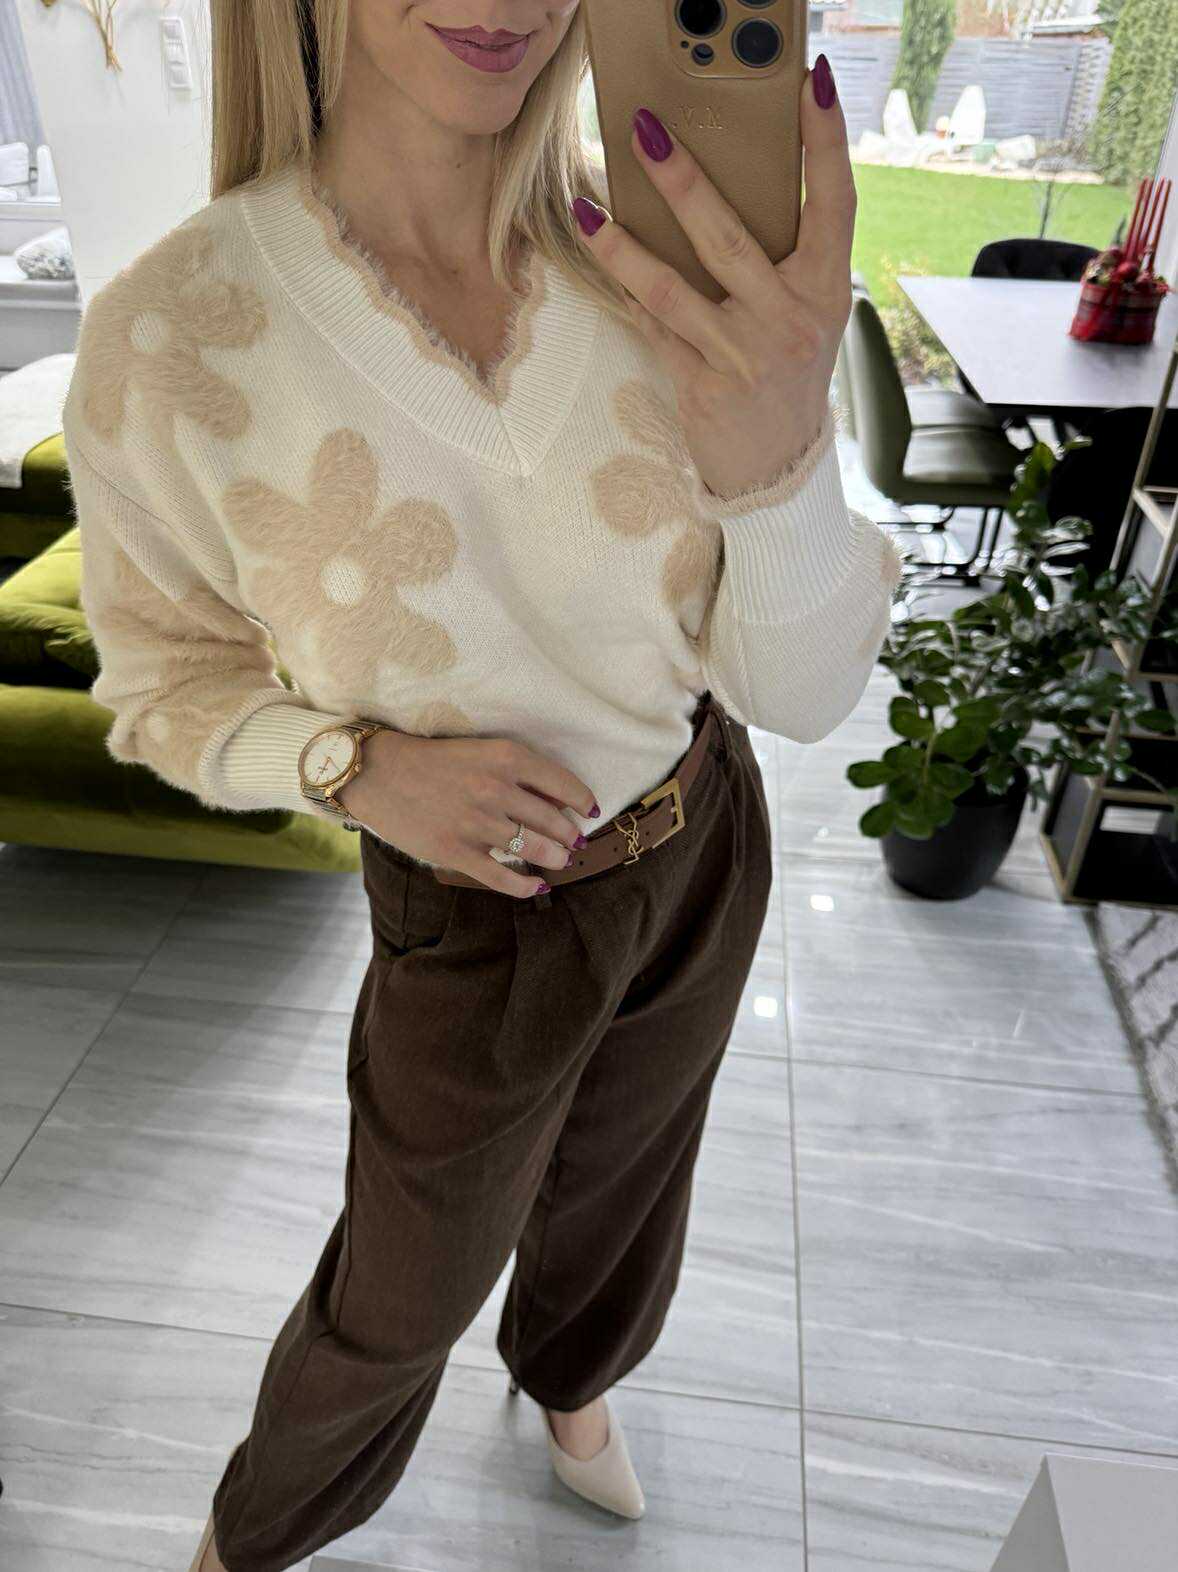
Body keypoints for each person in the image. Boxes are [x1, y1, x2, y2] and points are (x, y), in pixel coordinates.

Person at [60, 3, 901, 1568]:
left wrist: (783, 455)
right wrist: (351, 766)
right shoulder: (176, 336)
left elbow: (795, 697)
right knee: (399, 1292)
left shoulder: (664, 269)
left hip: (701, 835)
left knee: (631, 1179)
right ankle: (252, 1537)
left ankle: (573, 1382)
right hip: (481, 911)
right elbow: (166, 683)